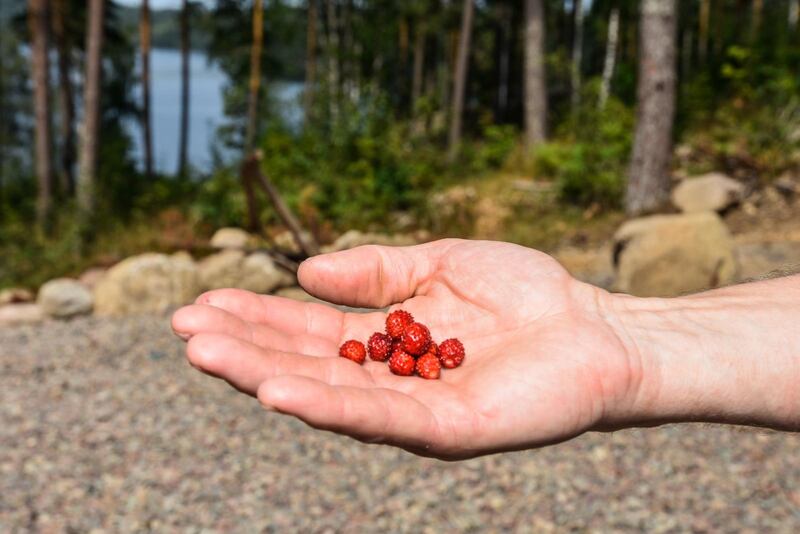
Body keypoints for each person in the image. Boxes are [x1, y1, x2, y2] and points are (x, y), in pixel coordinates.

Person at [171, 239, 800, 460]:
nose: (411, 348)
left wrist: (616, 331)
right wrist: (621, 331)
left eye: (416, 350)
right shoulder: (398, 342)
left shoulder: (412, 344)